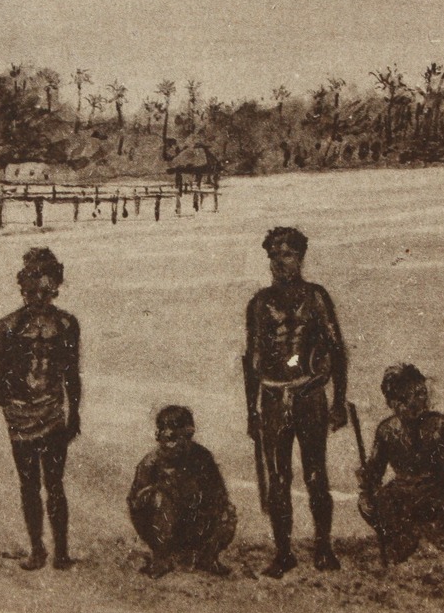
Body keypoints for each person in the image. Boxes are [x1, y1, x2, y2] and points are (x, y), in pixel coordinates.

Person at [243, 226, 349, 578]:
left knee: (316, 474)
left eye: (286, 254)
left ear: (300, 257)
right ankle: (284, 551)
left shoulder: (316, 297)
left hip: (309, 394)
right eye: (273, 255)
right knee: (278, 477)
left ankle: (323, 546)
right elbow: (252, 359)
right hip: (273, 397)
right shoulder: (259, 303)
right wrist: (251, 411)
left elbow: (336, 350)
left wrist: (338, 403)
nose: (279, 262)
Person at [0, 247, 82, 570]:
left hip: (53, 412)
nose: (38, 298)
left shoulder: (67, 324)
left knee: (55, 483)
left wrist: (74, 413)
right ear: (22, 290)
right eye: (30, 292)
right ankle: (38, 549)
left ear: (55, 288)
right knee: (29, 484)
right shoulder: (9, 325)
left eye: (44, 291)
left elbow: (71, 373)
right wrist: (9, 396)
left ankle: (62, 550)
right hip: (21, 415)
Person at [359, 364, 444, 566]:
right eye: (414, 396)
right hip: (401, 494)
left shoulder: (439, 424)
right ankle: (402, 538)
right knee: (365, 503)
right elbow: (375, 471)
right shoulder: (386, 430)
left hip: (436, 492)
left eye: (422, 393)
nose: (422, 400)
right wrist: (367, 477)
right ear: (395, 402)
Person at [127, 406, 236, 578]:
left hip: (194, 524)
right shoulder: (150, 463)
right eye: (170, 437)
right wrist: (157, 491)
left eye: (182, 437)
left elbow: (219, 495)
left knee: (228, 512)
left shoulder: (202, 458)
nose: (175, 444)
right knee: (158, 499)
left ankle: (207, 557)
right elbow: (135, 505)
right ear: (159, 436)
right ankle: (161, 558)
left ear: (190, 435)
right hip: (162, 527)